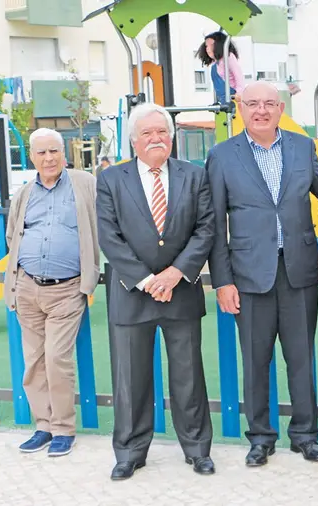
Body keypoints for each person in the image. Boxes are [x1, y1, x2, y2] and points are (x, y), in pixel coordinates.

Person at [206, 81, 318, 467]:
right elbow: (214, 223)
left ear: (281, 108)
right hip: (248, 275)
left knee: (301, 357)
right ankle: (261, 437)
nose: (260, 110)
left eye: (268, 104)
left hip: (299, 269)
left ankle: (306, 435)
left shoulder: (302, 146)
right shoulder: (222, 156)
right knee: (255, 359)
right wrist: (223, 281)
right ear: (240, 108)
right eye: (252, 104)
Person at [97, 102, 216, 480]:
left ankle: (197, 450)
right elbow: (109, 236)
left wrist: (175, 274)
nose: (155, 139)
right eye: (147, 133)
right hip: (132, 294)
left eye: (161, 132)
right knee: (130, 379)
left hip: (180, 292)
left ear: (171, 137)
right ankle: (130, 452)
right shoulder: (111, 179)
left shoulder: (194, 176)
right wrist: (148, 279)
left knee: (188, 376)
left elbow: (205, 229)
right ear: (134, 140)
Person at [3, 128, 101, 458]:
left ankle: (63, 428)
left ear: (64, 153)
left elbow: (103, 221)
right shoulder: (25, 193)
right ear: (31, 157)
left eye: (54, 151)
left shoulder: (84, 183)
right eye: (42, 152)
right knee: (34, 362)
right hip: (28, 287)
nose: (49, 158)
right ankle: (43, 425)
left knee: (57, 359)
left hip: (67, 289)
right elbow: (13, 233)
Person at [195, 31, 246, 105]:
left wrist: (240, 92)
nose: (207, 48)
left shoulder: (228, 57)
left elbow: (238, 75)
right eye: (206, 46)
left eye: (211, 45)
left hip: (232, 97)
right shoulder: (214, 63)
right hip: (222, 99)